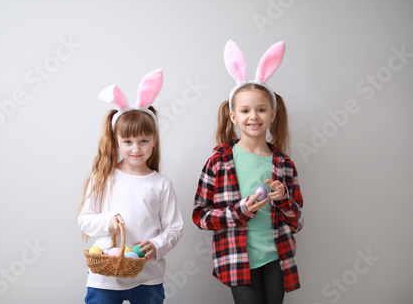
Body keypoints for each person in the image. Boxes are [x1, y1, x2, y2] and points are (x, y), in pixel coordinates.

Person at [192, 41, 303, 304]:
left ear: (273, 114)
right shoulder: (218, 162)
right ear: (233, 116)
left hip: (278, 255)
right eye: (245, 110)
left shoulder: (284, 164)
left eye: (261, 109)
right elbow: (200, 215)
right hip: (236, 257)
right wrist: (241, 210)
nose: (254, 116)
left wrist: (283, 197)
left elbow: (297, 222)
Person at [78, 69, 184, 304]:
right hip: (104, 277)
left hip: (148, 278)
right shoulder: (102, 177)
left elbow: (174, 228)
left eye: (143, 141)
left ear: (154, 140)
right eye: (128, 141)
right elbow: (84, 220)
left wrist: (156, 245)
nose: (136, 148)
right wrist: (109, 221)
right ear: (116, 140)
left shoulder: (161, 184)